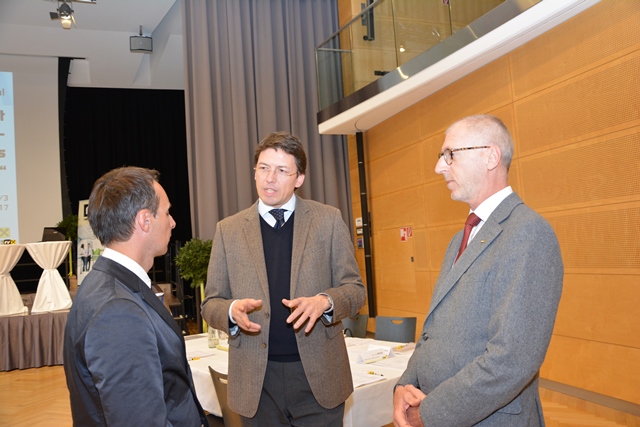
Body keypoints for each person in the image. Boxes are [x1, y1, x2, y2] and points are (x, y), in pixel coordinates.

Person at [393, 115, 563, 427]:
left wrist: (429, 414)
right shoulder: (459, 239)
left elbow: (511, 360)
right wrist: (405, 385)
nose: (439, 167)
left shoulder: (529, 233)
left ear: (490, 156)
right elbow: (434, 330)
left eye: (450, 154)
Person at [201, 131, 366, 426]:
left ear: (299, 178)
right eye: (263, 168)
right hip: (256, 382)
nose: (269, 178)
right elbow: (210, 303)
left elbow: (355, 290)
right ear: (254, 172)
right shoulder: (228, 230)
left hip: (319, 378)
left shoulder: (328, 220)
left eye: (281, 171)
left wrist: (325, 302)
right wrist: (230, 310)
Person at [63, 166, 208, 427]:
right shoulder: (117, 311)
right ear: (144, 220)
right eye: (166, 212)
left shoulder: (106, 283)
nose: (173, 222)